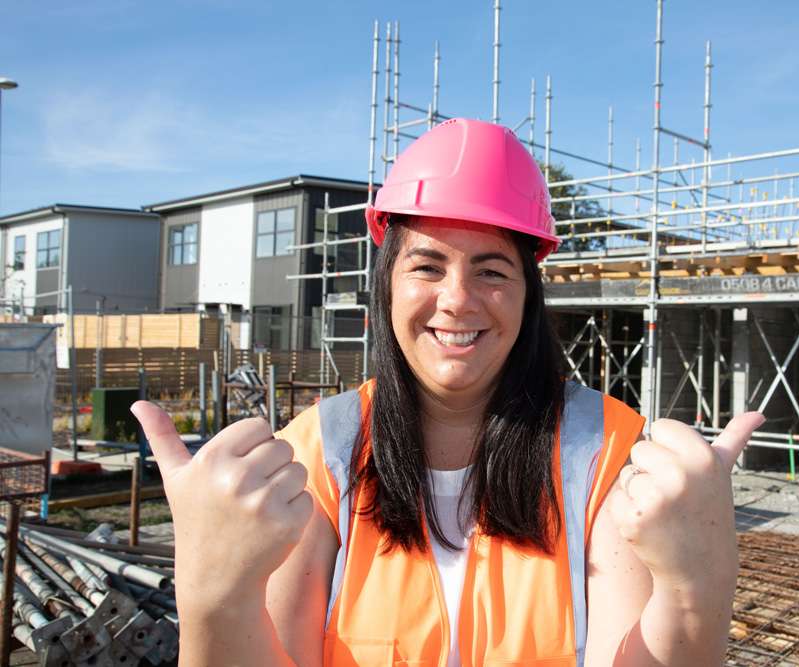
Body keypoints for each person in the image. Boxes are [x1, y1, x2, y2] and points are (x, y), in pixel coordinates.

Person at [132, 118, 764, 667]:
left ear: (527, 294)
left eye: (491, 270)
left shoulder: (606, 449)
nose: (457, 299)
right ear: (387, 283)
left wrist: (694, 589)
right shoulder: (319, 450)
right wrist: (212, 597)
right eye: (427, 266)